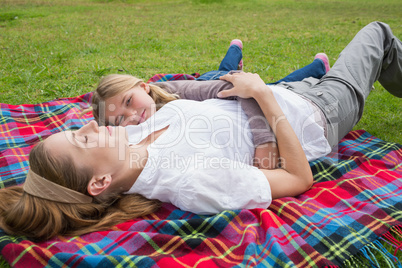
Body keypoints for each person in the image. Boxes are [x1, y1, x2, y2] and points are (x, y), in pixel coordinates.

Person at [0, 21, 400, 242]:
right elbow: (298, 178)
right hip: (317, 112)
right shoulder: (190, 180)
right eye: (83, 139)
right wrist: (264, 96)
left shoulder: (134, 140)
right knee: (378, 34)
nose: (91, 123)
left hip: (285, 93)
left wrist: (260, 94)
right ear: (100, 181)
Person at [91, 42, 330, 168]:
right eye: (121, 119)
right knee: (228, 70)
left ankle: (317, 68)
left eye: (129, 101)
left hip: (210, 85)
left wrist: (264, 141)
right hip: (212, 87)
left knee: (267, 85)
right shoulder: (140, 135)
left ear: (144, 87)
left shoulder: (175, 91)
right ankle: (234, 52)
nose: (133, 115)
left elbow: (236, 89)